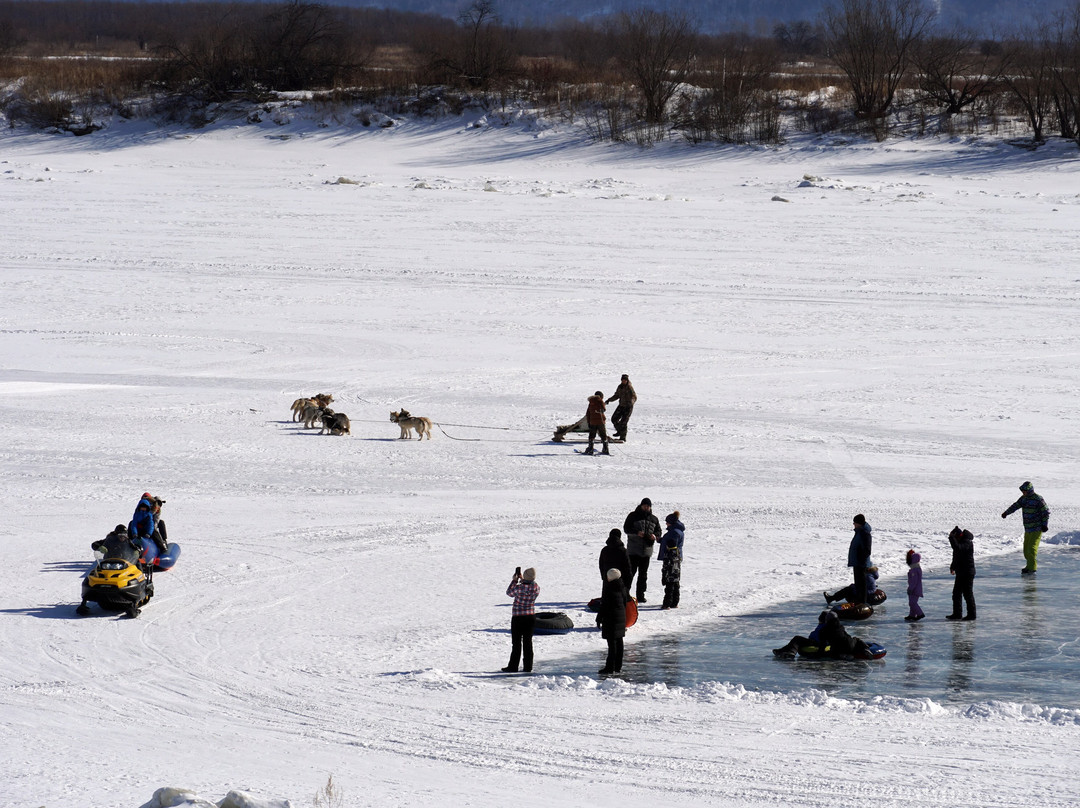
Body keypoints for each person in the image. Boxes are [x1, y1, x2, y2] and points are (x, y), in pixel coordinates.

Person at [773, 610, 871, 658]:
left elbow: (822, 642)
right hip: (848, 645)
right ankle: (865, 648)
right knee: (856, 639)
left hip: (817, 643)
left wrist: (819, 654)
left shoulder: (824, 629)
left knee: (797, 639)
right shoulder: (841, 627)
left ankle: (790, 652)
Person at [1002, 481, 1050, 575]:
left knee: (1031, 549)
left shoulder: (1038, 499)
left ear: (1030, 490)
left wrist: (1045, 524)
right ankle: (1029, 566)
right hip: (1028, 528)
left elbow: (1046, 512)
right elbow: (1015, 506)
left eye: (1025, 491)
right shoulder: (1023, 499)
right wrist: (1006, 513)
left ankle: (1032, 568)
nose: (1023, 493)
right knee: (1025, 549)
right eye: (1022, 492)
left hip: (1037, 528)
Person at [623, 498, 661, 603]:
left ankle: (640, 595)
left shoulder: (654, 519)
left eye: (648, 506)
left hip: (646, 551)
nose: (646, 507)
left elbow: (659, 531)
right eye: (644, 505)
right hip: (633, 550)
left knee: (643, 575)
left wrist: (655, 536)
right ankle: (625, 594)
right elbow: (626, 528)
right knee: (630, 573)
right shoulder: (633, 516)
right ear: (641, 506)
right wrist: (636, 533)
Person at [503, 567, 539, 673]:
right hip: (530, 617)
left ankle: (513, 666)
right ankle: (528, 667)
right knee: (528, 642)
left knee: (517, 643)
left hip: (518, 617)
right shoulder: (536, 587)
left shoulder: (519, 588)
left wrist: (515, 581)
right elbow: (528, 584)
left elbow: (509, 592)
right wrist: (523, 579)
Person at [598, 568, 627, 675]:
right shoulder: (622, 587)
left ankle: (609, 667)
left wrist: (599, 618)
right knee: (619, 642)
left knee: (612, 644)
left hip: (611, 619)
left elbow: (604, 606)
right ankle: (617, 666)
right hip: (621, 617)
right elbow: (625, 603)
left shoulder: (609, 588)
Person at [946, 527, 976, 621]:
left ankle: (972, 615)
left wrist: (951, 538)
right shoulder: (960, 542)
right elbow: (956, 556)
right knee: (956, 593)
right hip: (961, 571)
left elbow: (958, 549)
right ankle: (957, 614)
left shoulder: (967, 542)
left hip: (967, 572)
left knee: (967, 594)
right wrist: (953, 567)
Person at [658, 511, 684, 609]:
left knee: (670, 584)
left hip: (670, 559)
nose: (666, 524)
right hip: (677, 558)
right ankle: (675, 602)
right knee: (676, 583)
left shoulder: (674, 532)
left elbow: (669, 542)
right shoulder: (678, 531)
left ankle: (667, 603)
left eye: (667, 522)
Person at [848, 514, 873, 605]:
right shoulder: (859, 532)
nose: (853, 524)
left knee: (861, 584)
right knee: (858, 584)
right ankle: (859, 601)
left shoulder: (864, 533)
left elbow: (867, 550)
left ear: (859, 523)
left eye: (855, 522)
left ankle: (862, 602)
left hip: (861, 563)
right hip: (857, 562)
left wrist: (861, 560)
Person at [605, 374, 637, 441]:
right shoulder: (620, 387)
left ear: (627, 380)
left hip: (628, 407)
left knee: (624, 422)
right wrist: (609, 400)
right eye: (622, 380)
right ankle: (619, 431)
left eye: (625, 380)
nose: (623, 381)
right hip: (621, 405)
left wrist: (631, 402)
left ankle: (623, 437)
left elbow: (634, 397)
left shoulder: (629, 387)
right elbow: (617, 395)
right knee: (614, 419)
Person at [583, 391, 610, 455]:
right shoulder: (600, 401)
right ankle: (605, 448)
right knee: (603, 435)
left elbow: (588, 413)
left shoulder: (590, 402)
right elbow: (603, 409)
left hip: (592, 422)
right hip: (600, 421)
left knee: (592, 435)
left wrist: (589, 422)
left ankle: (590, 449)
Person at [905, 549, 924, 622]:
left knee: (912, 603)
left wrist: (910, 588)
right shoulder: (916, 569)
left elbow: (914, 581)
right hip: (915, 589)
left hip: (915, 589)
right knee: (912, 602)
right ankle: (912, 615)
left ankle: (920, 613)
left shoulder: (914, 570)